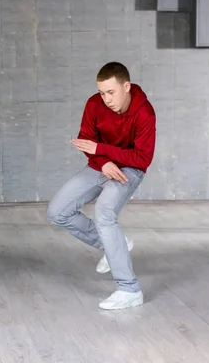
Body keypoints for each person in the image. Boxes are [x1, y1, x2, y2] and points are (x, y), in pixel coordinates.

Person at [46, 62, 156, 310]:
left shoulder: (144, 113)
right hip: (100, 164)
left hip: (130, 168)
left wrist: (101, 151)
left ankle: (129, 289)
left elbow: (142, 158)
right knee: (57, 212)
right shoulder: (94, 104)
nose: (105, 99)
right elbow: (87, 141)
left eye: (111, 92)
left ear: (126, 86)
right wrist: (103, 159)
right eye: (101, 92)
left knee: (104, 212)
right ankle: (116, 244)